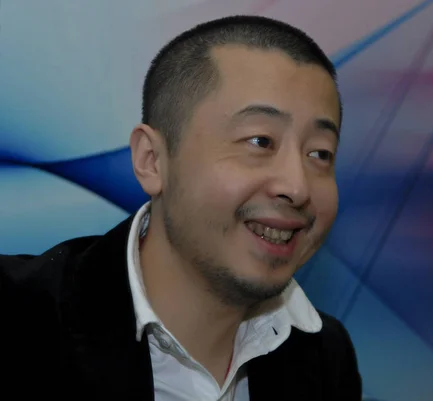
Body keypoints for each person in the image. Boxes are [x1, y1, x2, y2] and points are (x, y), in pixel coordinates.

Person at [0, 14, 362, 401]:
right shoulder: (17, 320)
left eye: (320, 153)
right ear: (152, 161)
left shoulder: (325, 356)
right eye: (260, 141)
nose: (297, 186)